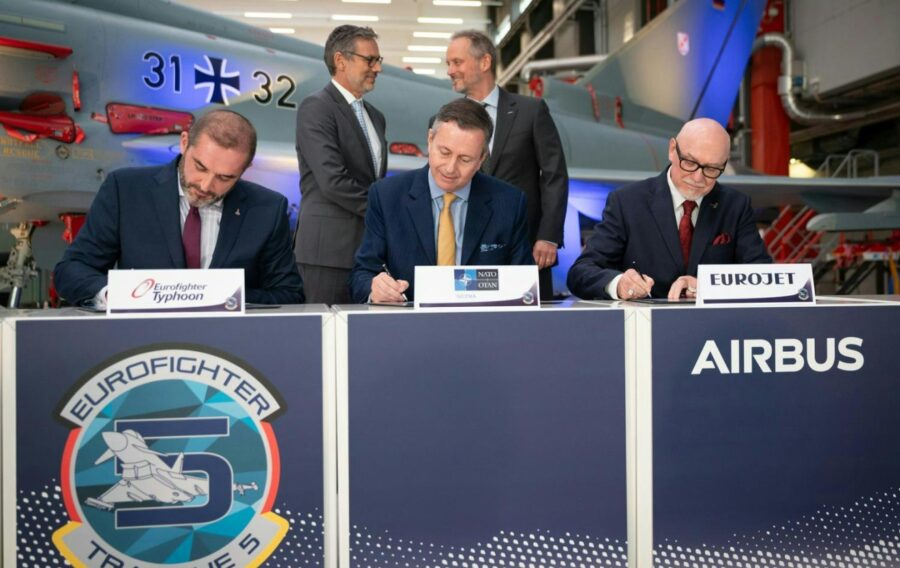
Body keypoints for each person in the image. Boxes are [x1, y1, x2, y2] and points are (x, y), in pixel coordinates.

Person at [54, 109, 304, 306]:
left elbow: (289, 294)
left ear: (245, 170)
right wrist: (116, 296)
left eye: (225, 178)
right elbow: (71, 271)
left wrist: (223, 298)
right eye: (200, 167)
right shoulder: (125, 190)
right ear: (184, 143)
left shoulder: (267, 209)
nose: (207, 185)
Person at [567, 118, 771, 300]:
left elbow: (763, 276)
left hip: (715, 330)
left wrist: (708, 287)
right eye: (690, 162)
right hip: (644, 330)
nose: (698, 178)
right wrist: (619, 284)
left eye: (712, 169)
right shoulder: (627, 202)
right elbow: (581, 273)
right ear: (672, 150)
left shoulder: (735, 205)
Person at [349, 98, 532, 303]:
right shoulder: (387, 196)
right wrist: (376, 289)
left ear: (481, 159)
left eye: (465, 159)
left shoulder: (509, 203)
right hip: (409, 327)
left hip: (482, 327)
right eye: (444, 152)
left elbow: (523, 286)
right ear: (430, 140)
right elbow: (362, 275)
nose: (450, 168)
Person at [445, 29, 568, 301]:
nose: (450, 70)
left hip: (525, 249)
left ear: (485, 62)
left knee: (528, 334)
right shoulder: (444, 120)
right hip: (464, 249)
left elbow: (554, 175)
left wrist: (548, 236)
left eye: (457, 62)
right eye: (448, 64)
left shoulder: (531, 111)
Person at [294, 25, 386, 304]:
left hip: (366, 255)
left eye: (378, 60)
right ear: (340, 60)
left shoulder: (376, 116)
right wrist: (384, 211)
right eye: (369, 60)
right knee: (323, 342)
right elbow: (333, 181)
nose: (377, 68)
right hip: (328, 254)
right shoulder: (316, 108)